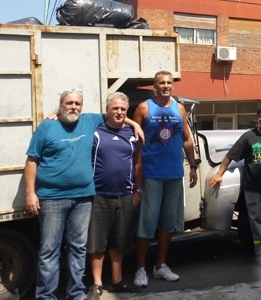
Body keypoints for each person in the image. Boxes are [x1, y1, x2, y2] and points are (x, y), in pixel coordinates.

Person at [24, 88, 143, 300]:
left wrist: (134, 123)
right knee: (49, 251)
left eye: (77, 103)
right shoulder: (47, 126)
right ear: (60, 106)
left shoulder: (89, 121)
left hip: (83, 198)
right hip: (51, 198)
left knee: (78, 248)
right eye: (69, 103)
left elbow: (117, 116)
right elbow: (32, 161)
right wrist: (30, 194)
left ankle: (76, 294)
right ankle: (46, 296)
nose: (73, 107)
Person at [131, 70, 198, 288]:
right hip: (151, 174)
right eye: (161, 83)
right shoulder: (144, 108)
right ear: (155, 85)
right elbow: (134, 143)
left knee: (168, 224)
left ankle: (160, 266)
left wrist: (194, 166)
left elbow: (187, 140)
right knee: (146, 224)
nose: (166, 86)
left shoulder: (179, 108)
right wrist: (136, 179)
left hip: (174, 174)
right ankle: (140, 269)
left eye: (169, 82)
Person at [207, 104, 261, 260]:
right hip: (253, 189)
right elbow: (230, 156)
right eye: (260, 116)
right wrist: (219, 173)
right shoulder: (248, 137)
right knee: (257, 222)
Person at [86, 92, 140, 299]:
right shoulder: (96, 130)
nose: (118, 112)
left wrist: (138, 190)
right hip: (99, 194)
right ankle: (97, 284)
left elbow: (138, 164)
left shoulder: (133, 134)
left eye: (123, 109)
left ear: (127, 112)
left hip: (125, 195)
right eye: (115, 108)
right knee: (97, 242)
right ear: (107, 110)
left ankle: (117, 281)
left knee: (119, 242)